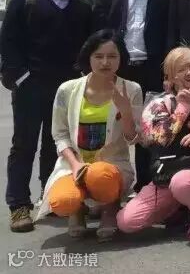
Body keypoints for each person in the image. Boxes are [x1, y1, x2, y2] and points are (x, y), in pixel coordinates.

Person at [0, 0, 92, 232]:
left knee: (58, 144)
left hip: (66, 88)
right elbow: (8, 41)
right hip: (31, 86)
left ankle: (50, 196)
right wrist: (19, 78)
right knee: (24, 144)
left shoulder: (81, 7)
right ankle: (18, 205)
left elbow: (86, 46)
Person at [36, 30, 140, 241]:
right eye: (98, 56)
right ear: (88, 57)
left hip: (111, 166)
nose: (105, 62)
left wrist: (126, 111)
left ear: (121, 58)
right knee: (63, 201)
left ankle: (110, 207)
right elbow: (59, 134)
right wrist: (75, 165)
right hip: (73, 165)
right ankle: (77, 210)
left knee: (100, 176)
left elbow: (133, 138)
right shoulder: (67, 89)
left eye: (112, 56)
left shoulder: (131, 89)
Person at [117, 47, 190, 241]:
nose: (189, 72)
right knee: (126, 221)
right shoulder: (159, 104)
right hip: (168, 174)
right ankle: (178, 209)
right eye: (181, 70)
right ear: (170, 78)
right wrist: (182, 107)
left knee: (183, 182)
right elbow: (161, 138)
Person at [93, 0, 169, 190]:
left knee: (149, 128)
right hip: (118, 70)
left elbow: (169, 35)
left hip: (152, 69)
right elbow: (97, 35)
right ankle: (107, 186)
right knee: (112, 126)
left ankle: (145, 186)